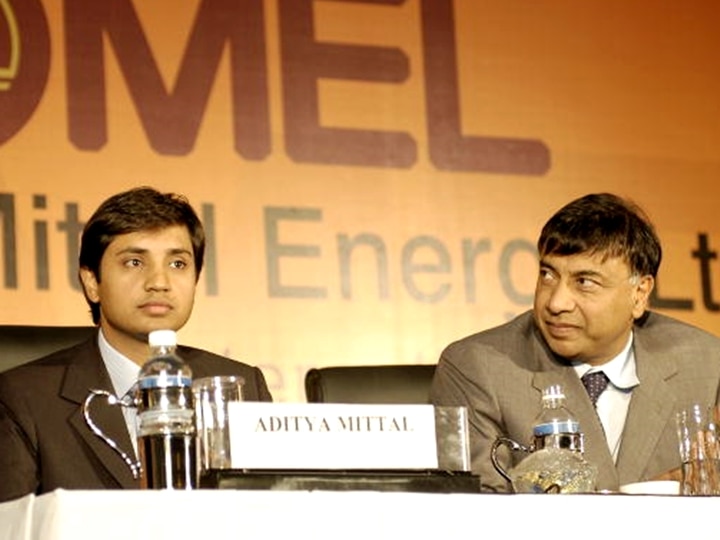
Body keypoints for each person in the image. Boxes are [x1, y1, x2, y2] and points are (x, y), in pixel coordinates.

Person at [430, 192, 720, 493]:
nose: (556, 302)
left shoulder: (708, 367)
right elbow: (474, 515)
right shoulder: (478, 368)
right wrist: (637, 508)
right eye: (548, 275)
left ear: (639, 294)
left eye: (584, 282)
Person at [0, 186, 272, 502]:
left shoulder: (242, 388)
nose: (159, 282)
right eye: (134, 262)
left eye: (178, 264)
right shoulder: (25, 400)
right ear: (92, 282)